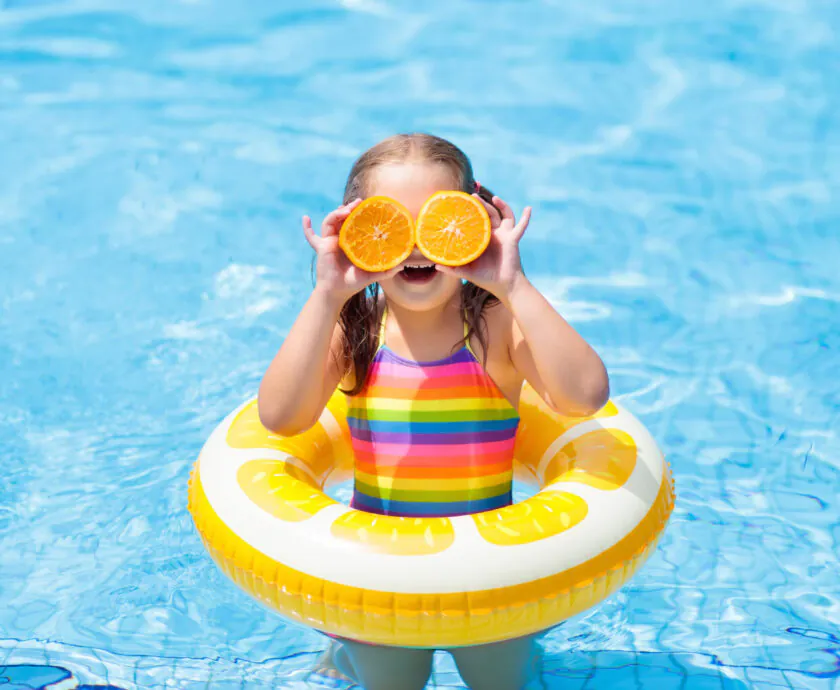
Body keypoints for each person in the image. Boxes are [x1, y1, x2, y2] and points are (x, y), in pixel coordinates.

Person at [258, 133, 610, 690]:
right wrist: (327, 295)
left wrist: (513, 284)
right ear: (356, 231)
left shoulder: (496, 330)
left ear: (477, 220)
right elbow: (280, 418)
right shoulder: (355, 333)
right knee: (392, 681)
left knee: (504, 681)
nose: (418, 245)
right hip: (380, 582)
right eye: (390, 224)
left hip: (491, 578)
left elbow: (585, 396)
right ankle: (342, 654)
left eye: (439, 221)